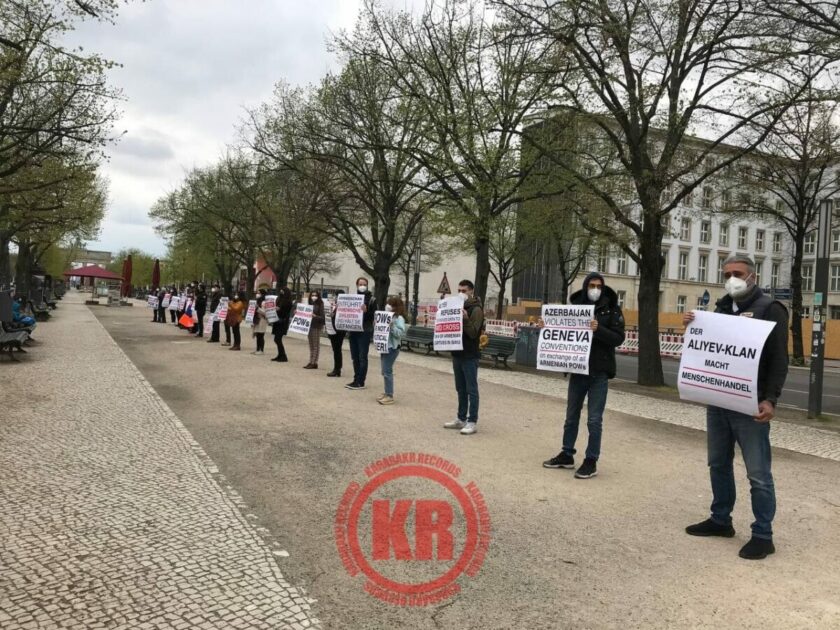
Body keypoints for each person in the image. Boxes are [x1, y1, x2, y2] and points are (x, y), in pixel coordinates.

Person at [683, 253, 788, 560]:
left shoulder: (770, 308)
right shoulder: (720, 306)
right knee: (718, 463)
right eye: (727, 273)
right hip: (719, 400)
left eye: (738, 273)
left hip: (751, 403)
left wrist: (771, 399)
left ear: (753, 276)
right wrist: (693, 325)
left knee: (758, 472)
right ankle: (720, 519)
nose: (732, 278)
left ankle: (762, 534)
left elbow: (780, 361)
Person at [542, 272, 625, 479]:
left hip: (599, 372)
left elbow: (618, 338)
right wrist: (547, 327)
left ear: (603, 288)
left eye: (598, 286)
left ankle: (591, 460)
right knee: (571, 417)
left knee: (594, 420)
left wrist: (599, 330)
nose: (595, 289)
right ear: (586, 287)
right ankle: (567, 454)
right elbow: (562, 332)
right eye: (592, 285)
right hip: (578, 370)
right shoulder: (576, 308)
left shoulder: (612, 310)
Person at [443, 280, 485, 435]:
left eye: (464, 290)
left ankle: (472, 421)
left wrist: (466, 319)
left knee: (471, 389)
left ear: (471, 291)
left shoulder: (476, 309)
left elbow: (474, 332)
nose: (461, 292)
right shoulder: (455, 306)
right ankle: (461, 418)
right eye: (459, 289)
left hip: (469, 354)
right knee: (460, 388)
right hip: (457, 352)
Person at [346, 277, 377, 390]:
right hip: (353, 330)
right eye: (360, 284)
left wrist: (366, 311)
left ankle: (360, 381)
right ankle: (355, 379)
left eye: (364, 284)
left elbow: (374, 316)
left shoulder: (372, 299)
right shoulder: (353, 298)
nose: (362, 286)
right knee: (355, 357)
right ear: (357, 285)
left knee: (362, 357)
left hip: (364, 330)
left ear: (367, 285)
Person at [378, 296, 407, 405]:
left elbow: (400, 334)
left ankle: (389, 395)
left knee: (387, 371)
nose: (388, 306)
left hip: (392, 347)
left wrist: (391, 326)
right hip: (384, 346)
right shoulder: (386, 316)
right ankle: (386, 392)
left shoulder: (399, 319)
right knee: (384, 371)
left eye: (391, 304)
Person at [271, 287, 294, 362]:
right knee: (277, 339)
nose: (281, 292)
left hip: (282, 322)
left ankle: (283, 356)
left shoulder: (288, 302)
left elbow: (286, 312)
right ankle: (280, 355)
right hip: (277, 321)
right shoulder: (279, 299)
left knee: (277, 339)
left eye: (283, 291)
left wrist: (279, 309)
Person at [326, 290, 346, 377]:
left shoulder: (344, 305)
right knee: (335, 350)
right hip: (332, 329)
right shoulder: (334, 304)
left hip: (340, 330)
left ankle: (337, 369)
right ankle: (337, 368)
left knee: (337, 349)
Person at [305, 290, 325, 369]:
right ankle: (311, 361)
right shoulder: (309, 303)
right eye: (312, 295)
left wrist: (315, 316)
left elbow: (322, 317)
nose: (314, 297)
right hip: (309, 325)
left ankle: (314, 362)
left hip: (316, 326)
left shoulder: (320, 304)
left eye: (315, 295)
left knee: (315, 345)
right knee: (311, 344)